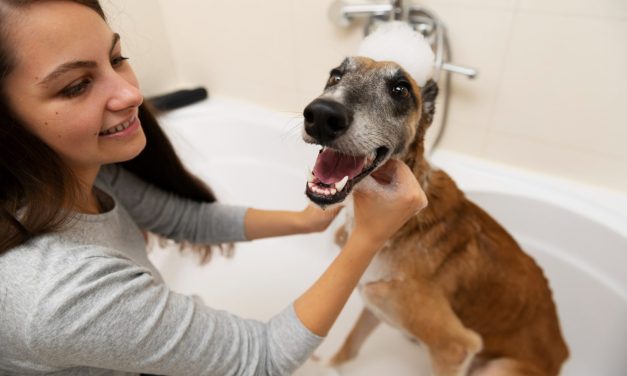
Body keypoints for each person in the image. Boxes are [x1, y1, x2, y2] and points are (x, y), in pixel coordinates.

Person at [0, 1, 427, 375]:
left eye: (116, 57)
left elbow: (184, 218)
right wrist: (369, 237)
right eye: (76, 85)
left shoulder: (77, 168)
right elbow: (259, 359)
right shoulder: (58, 296)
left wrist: (305, 221)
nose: (130, 93)